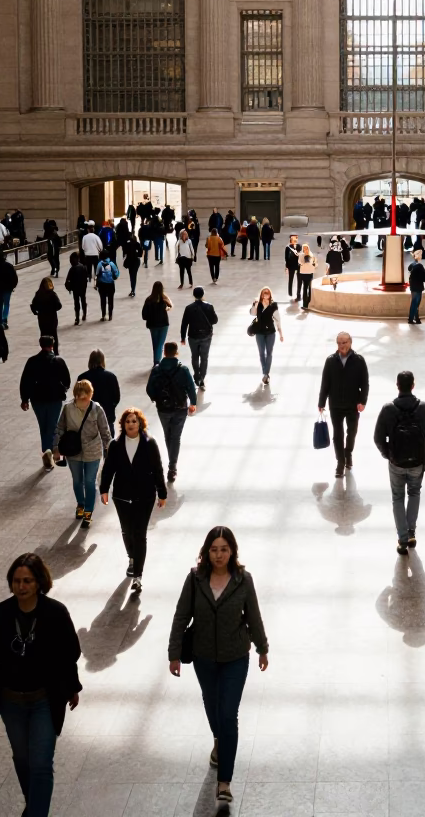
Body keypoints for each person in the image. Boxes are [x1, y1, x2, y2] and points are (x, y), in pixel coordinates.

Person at [0, 553, 81, 817]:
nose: (21, 586)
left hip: (44, 699)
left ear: (39, 582)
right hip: (11, 702)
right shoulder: (1, 614)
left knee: (41, 763)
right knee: (23, 760)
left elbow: (70, 652)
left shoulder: (55, 612)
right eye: (17, 581)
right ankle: (34, 807)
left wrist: (72, 686)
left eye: (28, 581)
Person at [168, 527, 269, 806]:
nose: (219, 554)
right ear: (206, 551)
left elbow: (254, 618)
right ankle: (218, 741)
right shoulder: (195, 579)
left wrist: (262, 648)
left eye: (224, 549)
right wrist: (174, 653)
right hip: (203, 658)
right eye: (214, 549)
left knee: (228, 714)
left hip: (236, 657)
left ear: (232, 551)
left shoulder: (243, 581)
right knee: (213, 708)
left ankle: (224, 781)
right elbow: (180, 617)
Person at [100, 407, 167, 593]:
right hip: (121, 496)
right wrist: (104, 489)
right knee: (126, 531)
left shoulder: (149, 443)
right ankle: (132, 556)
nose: (131, 424)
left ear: (140, 424)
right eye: (128, 421)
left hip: (144, 496)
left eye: (134, 421)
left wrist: (162, 493)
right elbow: (108, 469)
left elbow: (158, 469)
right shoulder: (115, 445)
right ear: (123, 424)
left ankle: (138, 575)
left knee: (140, 534)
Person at [374, 370, 425, 555]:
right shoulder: (423, 407)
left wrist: (389, 454)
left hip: (396, 463)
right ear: (413, 385)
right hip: (417, 461)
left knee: (397, 497)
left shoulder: (388, 409)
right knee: (415, 493)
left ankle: (402, 539)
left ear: (397, 386)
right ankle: (411, 532)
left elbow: (378, 437)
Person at [53, 378, 111, 530]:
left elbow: (105, 431)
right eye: (81, 397)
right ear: (76, 395)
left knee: (90, 481)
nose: (84, 400)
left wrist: (110, 448)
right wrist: (56, 448)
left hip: (93, 450)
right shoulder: (68, 409)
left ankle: (88, 513)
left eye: (86, 397)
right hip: (73, 450)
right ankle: (81, 503)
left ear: (91, 395)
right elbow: (60, 428)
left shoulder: (96, 408)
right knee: (78, 480)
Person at [318, 330, 369, 477]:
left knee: (351, 433)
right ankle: (340, 462)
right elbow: (325, 383)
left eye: (344, 342)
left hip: (353, 404)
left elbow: (364, 383)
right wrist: (321, 402)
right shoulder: (330, 360)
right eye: (339, 343)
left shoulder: (359, 361)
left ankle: (348, 453)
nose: (342, 346)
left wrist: (363, 401)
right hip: (335, 404)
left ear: (350, 342)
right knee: (337, 435)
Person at [146, 342, 197, 483]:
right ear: (176, 353)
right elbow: (191, 388)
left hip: (163, 408)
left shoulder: (157, 370)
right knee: (176, 436)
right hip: (180, 408)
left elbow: (149, 389)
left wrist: (156, 398)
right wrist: (193, 403)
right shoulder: (183, 370)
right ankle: (172, 466)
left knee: (168, 435)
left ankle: (171, 462)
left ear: (164, 353)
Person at [20, 335, 71, 470]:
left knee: (43, 426)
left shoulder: (32, 361)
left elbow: (25, 381)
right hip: (55, 399)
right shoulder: (58, 361)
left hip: (37, 399)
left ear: (40, 345)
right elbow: (67, 380)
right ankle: (52, 452)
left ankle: (47, 451)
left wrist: (24, 399)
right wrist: (63, 389)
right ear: (52, 345)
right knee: (53, 426)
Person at [181, 286, 218, 390]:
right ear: (203, 294)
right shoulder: (209, 306)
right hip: (206, 336)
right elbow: (215, 320)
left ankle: (196, 374)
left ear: (194, 295)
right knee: (204, 357)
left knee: (194, 356)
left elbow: (184, 324)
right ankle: (201, 378)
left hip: (193, 336)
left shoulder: (189, 308)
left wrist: (183, 337)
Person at [77, 348, 120, 436]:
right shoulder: (111, 377)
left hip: (87, 417)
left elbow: (78, 397)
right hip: (107, 415)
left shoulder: (82, 377)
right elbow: (116, 397)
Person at [248, 286, 282, 385]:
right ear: (261, 295)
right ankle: (265, 374)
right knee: (261, 353)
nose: (266, 294)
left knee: (269, 353)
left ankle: (266, 373)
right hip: (259, 332)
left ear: (270, 294)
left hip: (271, 332)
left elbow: (278, 319)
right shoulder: (258, 304)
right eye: (264, 293)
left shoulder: (273, 305)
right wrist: (255, 305)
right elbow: (252, 314)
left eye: (267, 293)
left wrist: (280, 333)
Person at [142, 280, 172, 366]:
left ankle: (156, 361)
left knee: (155, 343)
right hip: (163, 324)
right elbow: (170, 305)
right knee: (160, 343)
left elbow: (144, 315)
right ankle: (157, 362)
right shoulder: (164, 299)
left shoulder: (148, 300)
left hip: (153, 325)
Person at [30, 277, 61, 355]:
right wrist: (52, 309)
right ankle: (55, 352)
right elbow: (59, 306)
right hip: (52, 318)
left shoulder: (38, 294)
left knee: (43, 334)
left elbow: (33, 305)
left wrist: (37, 312)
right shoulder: (52, 294)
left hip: (42, 318)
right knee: (54, 335)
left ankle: (44, 350)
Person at [64, 251, 89, 324]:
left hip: (75, 289)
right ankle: (84, 314)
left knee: (77, 302)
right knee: (83, 300)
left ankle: (77, 318)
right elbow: (86, 278)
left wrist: (69, 288)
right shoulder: (83, 267)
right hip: (82, 288)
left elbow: (67, 280)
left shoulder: (72, 269)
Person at [94, 250, 119, 321]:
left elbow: (97, 274)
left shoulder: (99, 264)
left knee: (103, 300)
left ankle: (103, 315)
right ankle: (110, 315)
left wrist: (96, 284)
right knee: (111, 300)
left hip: (102, 285)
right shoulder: (111, 264)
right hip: (110, 284)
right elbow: (116, 273)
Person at [407, 249, 425, 325]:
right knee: (416, 304)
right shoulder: (420, 266)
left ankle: (415, 318)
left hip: (413, 287)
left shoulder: (412, 265)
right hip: (418, 287)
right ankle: (413, 318)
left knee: (413, 303)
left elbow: (409, 269)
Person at [298, 244, 317, 309]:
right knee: (305, 288)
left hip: (310, 273)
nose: (306, 250)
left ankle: (309, 302)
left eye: (307, 248)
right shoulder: (301, 255)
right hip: (304, 273)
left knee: (310, 288)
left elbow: (315, 263)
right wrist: (305, 257)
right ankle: (305, 304)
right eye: (304, 248)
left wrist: (314, 264)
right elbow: (300, 262)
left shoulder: (311, 255)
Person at [284, 234, 302, 299]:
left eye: (296, 239)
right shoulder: (288, 247)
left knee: (299, 280)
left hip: (298, 266)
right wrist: (287, 266)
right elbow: (286, 257)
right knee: (291, 279)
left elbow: (301, 254)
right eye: (293, 239)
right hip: (291, 266)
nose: (295, 240)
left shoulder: (299, 246)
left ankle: (298, 294)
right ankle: (290, 293)